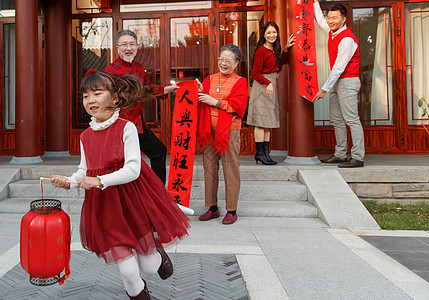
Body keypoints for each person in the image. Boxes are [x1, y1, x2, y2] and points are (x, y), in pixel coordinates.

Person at [50, 70, 189, 300]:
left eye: (97, 93)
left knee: (148, 268)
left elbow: (133, 170)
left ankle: (159, 254)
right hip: (106, 208)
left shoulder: (127, 128)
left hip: (134, 201)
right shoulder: (85, 136)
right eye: (85, 96)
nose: (90, 100)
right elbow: (84, 171)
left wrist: (100, 180)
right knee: (128, 272)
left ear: (115, 98)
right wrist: (69, 183)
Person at [104, 30, 179, 184]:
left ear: (137, 47)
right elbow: (105, 98)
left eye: (132, 44)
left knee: (159, 151)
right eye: (124, 44)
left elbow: (147, 88)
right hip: (120, 125)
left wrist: (167, 89)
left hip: (138, 124)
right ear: (117, 48)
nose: (129, 48)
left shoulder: (138, 67)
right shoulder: (110, 72)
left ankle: (159, 193)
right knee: (125, 163)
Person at [196, 45, 248, 225]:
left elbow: (238, 107)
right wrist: (198, 90)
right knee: (209, 168)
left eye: (228, 60)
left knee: (230, 169)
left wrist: (215, 102)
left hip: (229, 132)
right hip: (208, 132)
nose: (223, 63)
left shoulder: (240, 81)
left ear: (236, 63)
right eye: (221, 59)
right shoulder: (209, 79)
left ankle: (231, 210)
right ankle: (212, 207)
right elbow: (201, 100)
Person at [312, 0, 365, 168]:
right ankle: (340, 154)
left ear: (344, 19)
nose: (330, 21)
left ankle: (358, 157)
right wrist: (314, 2)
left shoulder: (347, 39)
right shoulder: (332, 32)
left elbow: (339, 67)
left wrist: (324, 89)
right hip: (336, 82)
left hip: (348, 81)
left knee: (351, 119)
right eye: (329, 17)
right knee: (336, 119)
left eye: (335, 17)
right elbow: (320, 20)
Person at [247, 21, 295, 165]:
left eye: (274, 32)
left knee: (267, 123)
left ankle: (265, 155)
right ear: (264, 35)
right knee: (260, 122)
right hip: (262, 86)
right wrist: (268, 83)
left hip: (270, 85)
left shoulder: (275, 49)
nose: (271, 35)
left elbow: (280, 65)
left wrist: (285, 49)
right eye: (268, 33)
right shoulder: (261, 50)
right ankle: (260, 154)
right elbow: (255, 73)